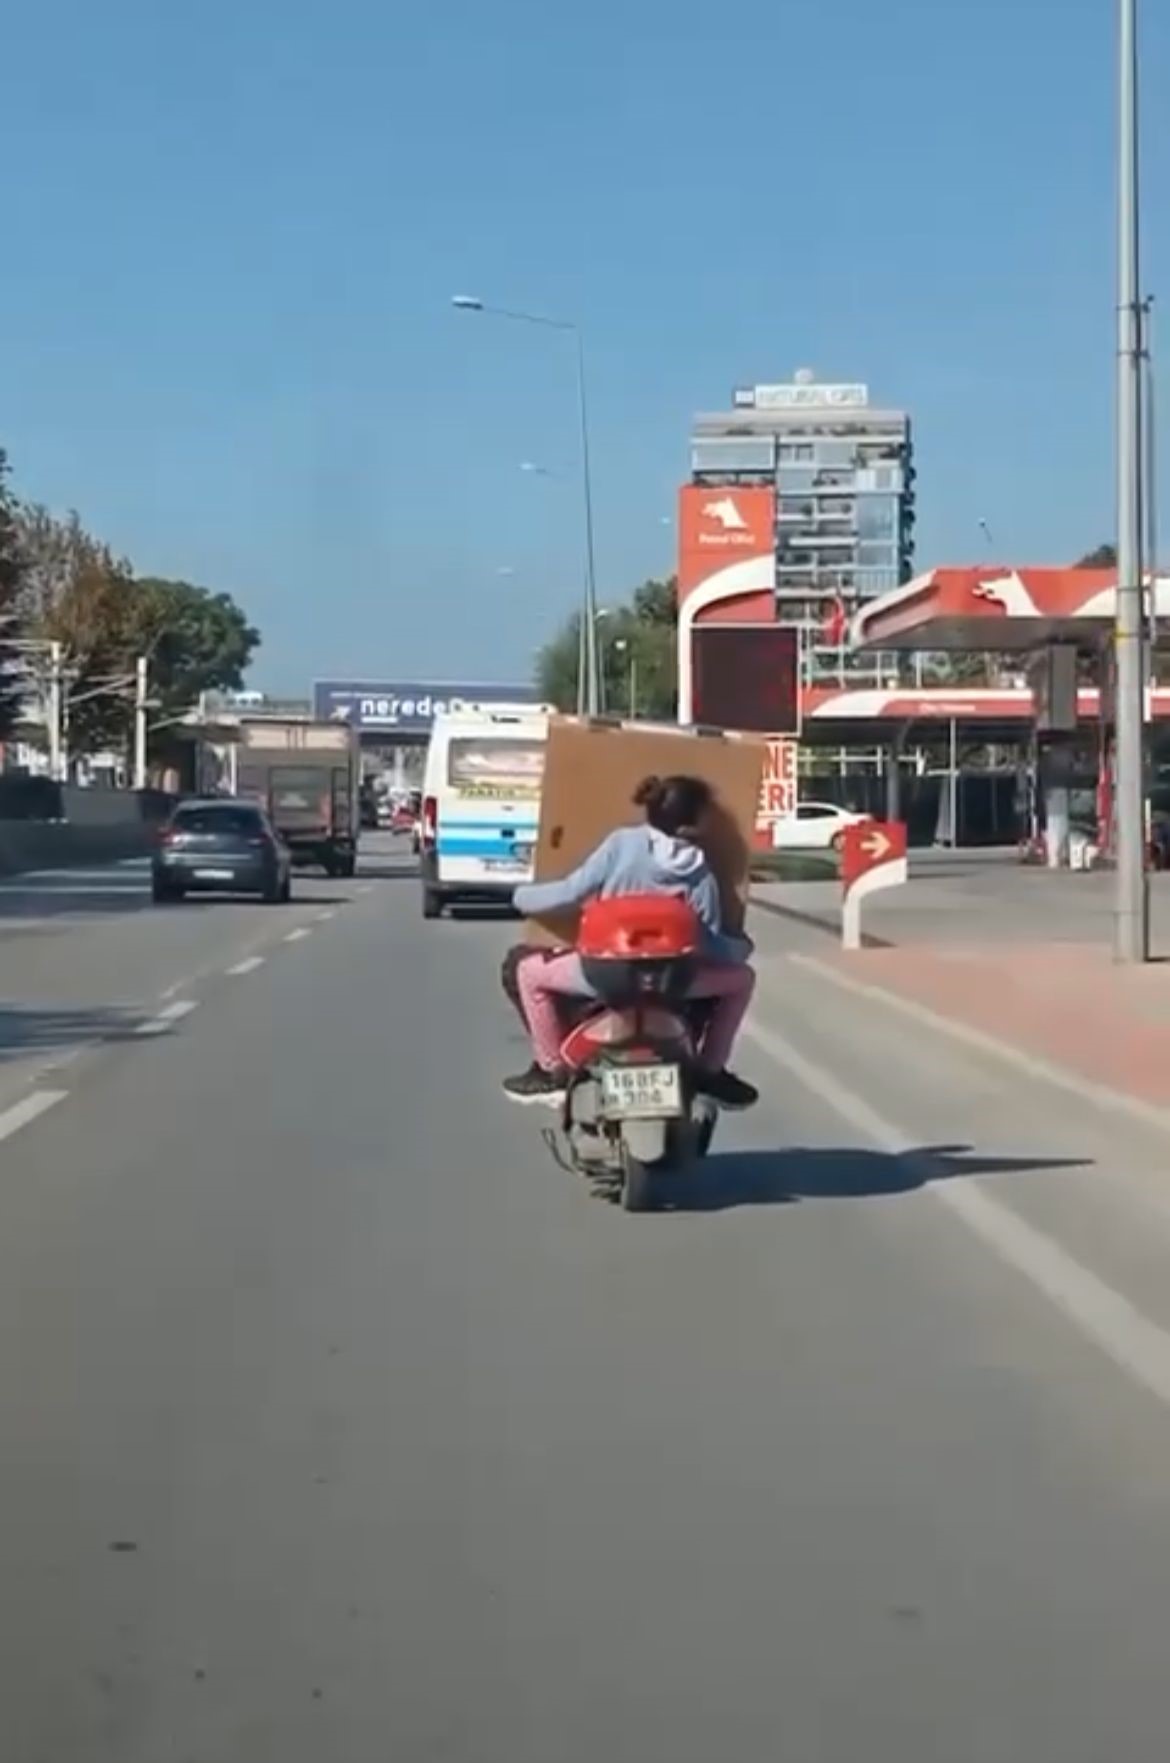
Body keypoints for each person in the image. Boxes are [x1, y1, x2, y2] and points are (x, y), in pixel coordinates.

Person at [503, 774, 758, 1110]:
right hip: (675, 982)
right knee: (742, 980)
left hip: (604, 975)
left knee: (525, 971)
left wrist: (520, 897)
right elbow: (709, 943)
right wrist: (741, 949)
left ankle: (551, 1071)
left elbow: (571, 891)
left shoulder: (622, 844)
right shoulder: (699, 870)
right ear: (690, 825)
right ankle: (710, 1072)